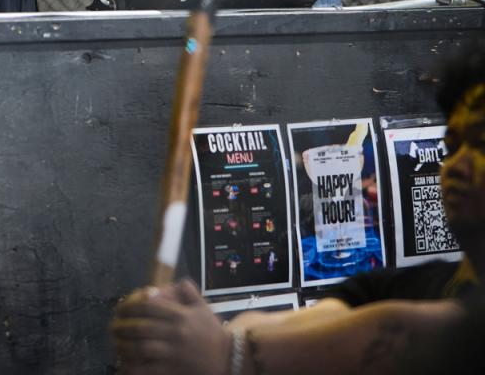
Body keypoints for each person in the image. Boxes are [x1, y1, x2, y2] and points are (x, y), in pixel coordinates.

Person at [112, 44, 485, 373]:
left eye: (481, 143)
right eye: (453, 147)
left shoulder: (458, 323)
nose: (458, 164)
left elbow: (406, 334)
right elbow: (319, 320)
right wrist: (185, 334)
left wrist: (228, 355)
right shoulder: (414, 285)